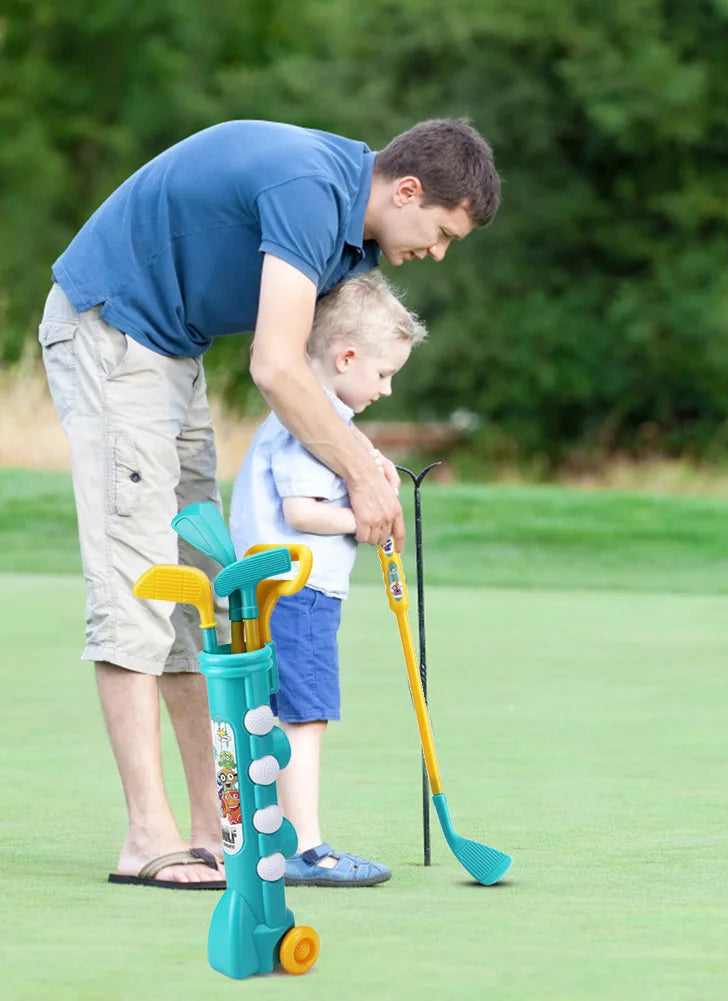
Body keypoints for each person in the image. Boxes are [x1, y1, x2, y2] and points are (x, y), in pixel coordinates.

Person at [38, 118, 500, 888]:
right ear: (408, 190)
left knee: (199, 591)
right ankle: (148, 839)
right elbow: (276, 368)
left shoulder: (350, 234)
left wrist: (365, 462)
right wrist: (357, 471)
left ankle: (209, 830)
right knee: (140, 585)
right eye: (443, 231)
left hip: (170, 351)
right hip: (113, 333)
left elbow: (330, 367)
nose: (439, 252)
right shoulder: (313, 192)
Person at [230, 271, 425, 886]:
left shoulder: (315, 420)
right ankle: (305, 850)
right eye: (383, 373)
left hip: (283, 593)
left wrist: (371, 472)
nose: (387, 389)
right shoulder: (310, 424)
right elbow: (303, 512)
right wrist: (365, 517)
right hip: (298, 594)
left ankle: (272, 840)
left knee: (279, 713)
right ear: (345, 358)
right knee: (303, 716)